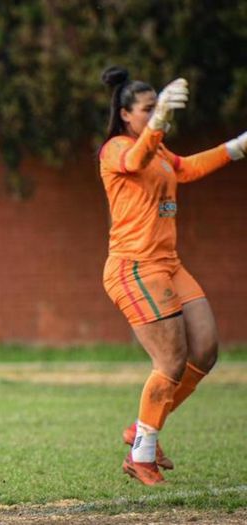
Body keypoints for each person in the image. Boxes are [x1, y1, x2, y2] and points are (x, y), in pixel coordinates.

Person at [98, 67, 247, 485]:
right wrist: (159, 123)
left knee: (205, 350)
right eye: (147, 110)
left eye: (157, 110)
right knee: (170, 361)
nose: (154, 116)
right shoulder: (117, 149)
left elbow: (186, 167)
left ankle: (140, 428)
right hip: (134, 267)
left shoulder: (160, 151)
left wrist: (237, 147)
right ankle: (141, 455)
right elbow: (135, 159)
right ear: (127, 114)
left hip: (168, 264)